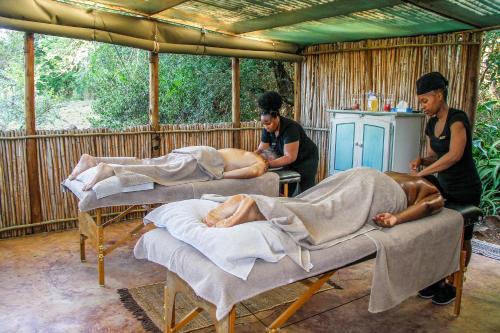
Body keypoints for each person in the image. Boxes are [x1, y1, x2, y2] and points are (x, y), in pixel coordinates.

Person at [409, 72, 482, 305]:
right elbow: (435, 156)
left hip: (466, 189)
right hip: (445, 187)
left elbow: (454, 155)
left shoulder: (457, 120)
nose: (423, 106)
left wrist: (423, 174)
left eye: (425, 101)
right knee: (441, 234)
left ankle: (454, 283)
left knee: (462, 239)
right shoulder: (431, 124)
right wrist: (422, 161)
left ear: (439, 95)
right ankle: (439, 277)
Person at [203, 171, 443, 229]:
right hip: (381, 189)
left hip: (363, 173)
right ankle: (257, 209)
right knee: (325, 212)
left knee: (312, 199)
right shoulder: (431, 188)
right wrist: (395, 219)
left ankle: (250, 200)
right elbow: (429, 205)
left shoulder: (409, 176)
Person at [69, 147, 268, 191]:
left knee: (149, 163)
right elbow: (254, 172)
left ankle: (94, 160)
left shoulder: (242, 152)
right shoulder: (259, 161)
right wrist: (223, 175)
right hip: (206, 162)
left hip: (195, 151)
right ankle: (110, 168)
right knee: (160, 173)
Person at [255, 91, 319, 194]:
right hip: (288, 159)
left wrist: (267, 164)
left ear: (276, 117)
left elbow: (290, 157)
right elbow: (262, 149)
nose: (265, 127)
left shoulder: (290, 128)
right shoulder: (267, 129)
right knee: (285, 190)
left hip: (306, 159)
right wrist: (251, 157)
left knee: (306, 191)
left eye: (268, 123)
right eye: (263, 124)